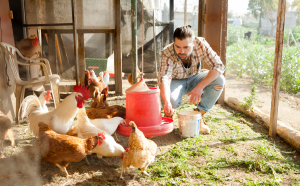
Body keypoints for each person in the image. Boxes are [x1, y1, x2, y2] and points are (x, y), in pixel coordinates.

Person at [157, 25, 225, 134]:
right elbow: (164, 78)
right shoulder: (167, 52)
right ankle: (169, 115)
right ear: (173, 43)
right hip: (175, 81)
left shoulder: (201, 44)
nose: (181, 51)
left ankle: (198, 116)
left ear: (193, 43)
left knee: (220, 80)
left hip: (195, 78)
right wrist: (166, 101)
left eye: (186, 47)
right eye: (177, 46)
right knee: (171, 100)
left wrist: (201, 86)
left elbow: (219, 66)